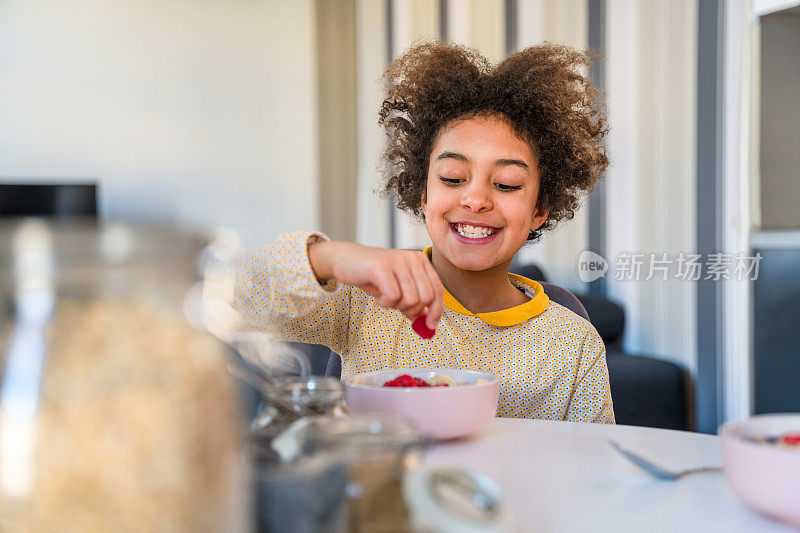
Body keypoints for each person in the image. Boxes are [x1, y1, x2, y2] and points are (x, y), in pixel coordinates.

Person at [236, 42, 614, 423]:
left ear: (539, 210)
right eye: (452, 178)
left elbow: (596, 469)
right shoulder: (364, 304)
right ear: (423, 193)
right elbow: (233, 296)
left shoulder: (574, 347)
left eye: (507, 183)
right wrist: (330, 257)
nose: (476, 199)